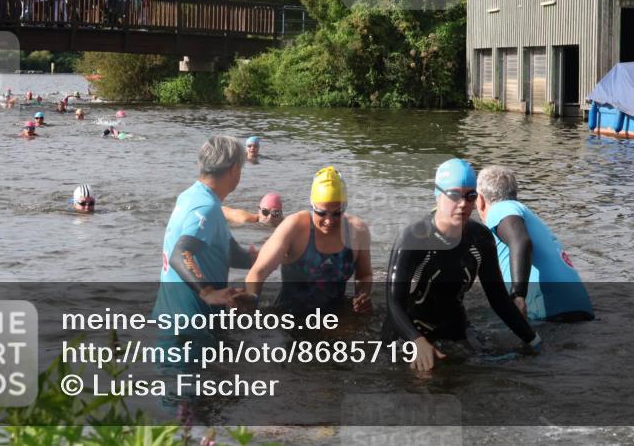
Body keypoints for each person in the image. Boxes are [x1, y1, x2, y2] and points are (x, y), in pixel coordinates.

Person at [383, 158, 539, 372]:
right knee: (421, 381)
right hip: (408, 330)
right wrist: (417, 341)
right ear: (438, 195)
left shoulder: (480, 238)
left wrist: (533, 341)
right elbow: (393, 303)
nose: (463, 204)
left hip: (454, 327)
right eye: (454, 195)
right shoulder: (413, 239)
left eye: (470, 196)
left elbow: (499, 300)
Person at [152, 136, 256, 339]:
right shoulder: (205, 207)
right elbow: (181, 254)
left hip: (187, 322)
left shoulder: (192, 196)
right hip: (188, 328)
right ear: (235, 168)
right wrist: (208, 293)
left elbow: (227, 252)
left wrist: (260, 257)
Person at [244, 169, 371, 315]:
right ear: (312, 205)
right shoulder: (294, 227)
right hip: (289, 320)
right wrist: (251, 306)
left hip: (335, 320)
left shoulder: (357, 231)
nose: (329, 221)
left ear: (345, 206)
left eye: (337, 213)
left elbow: (364, 275)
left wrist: (362, 296)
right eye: (321, 213)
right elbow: (257, 273)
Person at [475, 166, 593, 322]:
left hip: (548, 311)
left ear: (481, 199)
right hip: (580, 307)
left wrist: (518, 295)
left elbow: (521, 241)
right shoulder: (525, 214)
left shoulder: (500, 208)